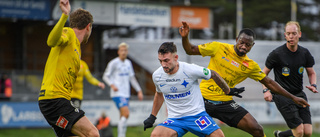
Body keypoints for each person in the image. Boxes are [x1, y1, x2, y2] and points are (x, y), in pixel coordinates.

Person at [179, 21, 310, 137]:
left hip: (225, 103)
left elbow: (269, 82)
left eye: (248, 45)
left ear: (252, 45)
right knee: (179, 128)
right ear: (237, 39)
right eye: (241, 42)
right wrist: (185, 38)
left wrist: (293, 98)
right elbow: (190, 50)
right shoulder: (219, 47)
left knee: (257, 129)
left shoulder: (250, 65)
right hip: (201, 101)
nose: (243, 46)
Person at [143, 42, 245, 137]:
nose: (163, 65)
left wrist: (228, 91)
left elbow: (213, 74)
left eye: (166, 60)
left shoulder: (190, 69)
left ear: (176, 57)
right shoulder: (157, 75)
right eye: (160, 61)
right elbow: (159, 94)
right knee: (156, 135)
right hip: (175, 119)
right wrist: (152, 116)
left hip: (196, 116)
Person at [38, 0, 99, 136]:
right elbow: (51, 41)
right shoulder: (69, 33)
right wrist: (64, 15)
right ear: (88, 27)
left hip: (54, 101)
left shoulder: (77, 47)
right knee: (93, 133)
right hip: (55, 99)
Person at [262, 21, 318, 137]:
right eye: (288, 33)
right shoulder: (277, 54)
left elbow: (311, 73)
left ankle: (281, 135)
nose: (291, 36)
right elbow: (263, 74)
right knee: (299, 132)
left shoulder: (305, 53)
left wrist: (313, 85)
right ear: (285, 35)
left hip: (299, 94)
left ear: (300, 34)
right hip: (282, 95)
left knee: (307, 132)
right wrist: (265, 90)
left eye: (294, 33)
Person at [102, 42, 143, 137]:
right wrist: (112, 85)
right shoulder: (114, 63)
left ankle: (121, 135)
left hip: (126, 94)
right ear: (118, 52)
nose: (123, 52)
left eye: (125, 50)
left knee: (123, 117)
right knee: (126, 113)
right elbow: (105, 76)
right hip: (117, 93)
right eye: (122, 50)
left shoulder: (128, 63)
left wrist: (139, 90)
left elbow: (132, 78)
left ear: (127, 52)